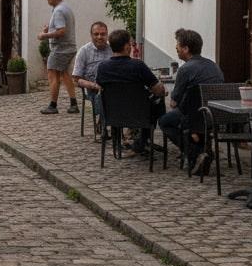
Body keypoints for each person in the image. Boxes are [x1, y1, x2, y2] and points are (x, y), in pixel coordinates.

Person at [158, 28, 224, 175]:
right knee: (185, 117)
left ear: (186, 48)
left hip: (194, 116)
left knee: (164, 121)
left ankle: (194, 153)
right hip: (214, 115)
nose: (176, 49)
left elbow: (174, 103)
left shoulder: (185, 69)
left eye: (178, 46)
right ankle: (201, 151)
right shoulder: (214, 65)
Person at [95, 28, 166, 156]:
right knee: (158, 102)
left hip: (113, 114)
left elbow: (101, 87)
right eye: (131, 44)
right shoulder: (138, 66)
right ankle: (142, 142)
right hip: (139, 114)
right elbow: (158, 90)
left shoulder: (102, 67)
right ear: (127, 46)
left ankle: (130, 142)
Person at [38, 0, 78, 114]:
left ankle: (53, 105)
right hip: (68, 47)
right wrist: (48, 29)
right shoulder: (65, 7)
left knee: (52, 74)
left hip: (61, 49)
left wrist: (44, 35)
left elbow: (61, 31)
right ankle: (74, 104)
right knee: (64, 74)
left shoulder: (59, 10)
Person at [72, 21, 112, 127]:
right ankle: (104, 127)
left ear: (107, 35)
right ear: (91, 35)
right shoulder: (84, 51)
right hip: (92, 89)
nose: (100, 37)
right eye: (96, 34)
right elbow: (76, 79)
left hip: (112, 87)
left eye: (103, 34)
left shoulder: (113, 49)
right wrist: (94, 85)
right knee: (102, 97)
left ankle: (128, 128)